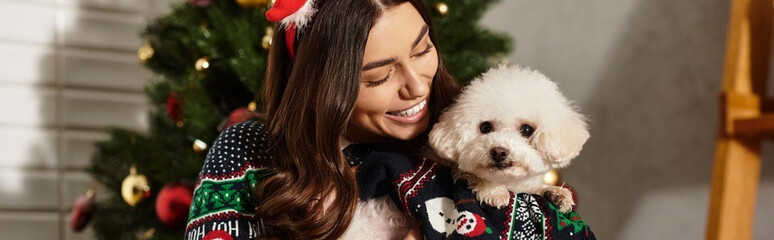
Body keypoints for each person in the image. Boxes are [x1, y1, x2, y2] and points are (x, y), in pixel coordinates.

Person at [184, 0, 595, 239]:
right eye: (379, 76)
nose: (416, 86)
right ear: (319, 88)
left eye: (422, 50)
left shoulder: (470, 132)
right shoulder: (249, 151)